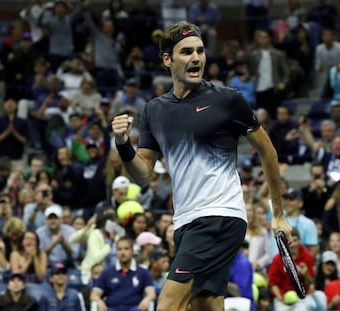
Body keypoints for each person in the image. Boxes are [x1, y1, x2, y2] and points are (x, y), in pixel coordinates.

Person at [111, 21, 292, 311]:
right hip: (185, 221)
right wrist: (123, 144)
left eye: (200, 51)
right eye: (186, 52)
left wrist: (278, 214)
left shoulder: (228, 101)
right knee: (205, 305)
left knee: (168, 304)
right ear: (167, 59)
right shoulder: (154, 111)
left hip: (219, 216)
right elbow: (143, 174)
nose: (196, 58)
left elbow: (268, 151)